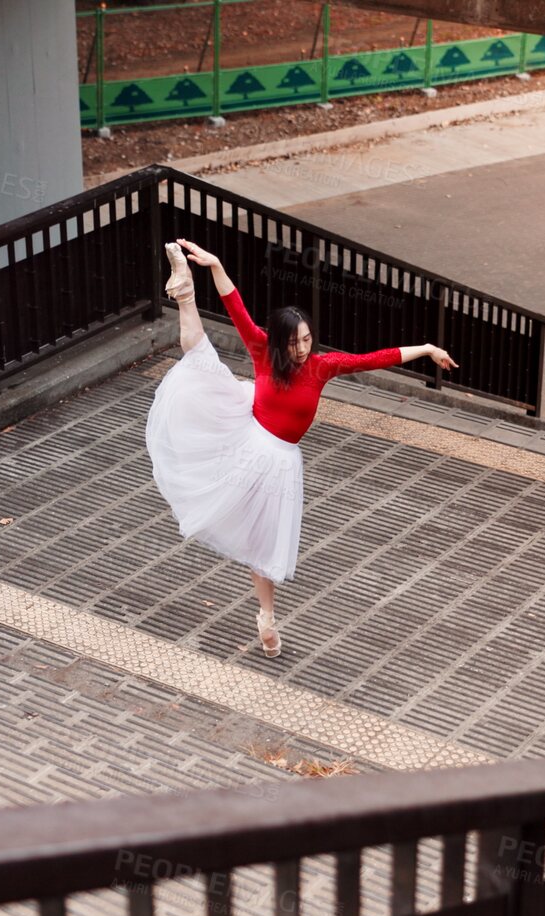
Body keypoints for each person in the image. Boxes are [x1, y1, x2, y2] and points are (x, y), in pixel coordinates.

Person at [146, 237, 458, 657]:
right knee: (199, 357)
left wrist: (427, 349)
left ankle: (267, 617)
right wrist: (216, 264)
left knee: (265, 545)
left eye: (307, 340)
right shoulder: (262, 351)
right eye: (295, 342)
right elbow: (235, 306)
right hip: (247, 438)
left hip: (282, 464)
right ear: (280, 341)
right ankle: (184, 290)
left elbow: (373, 358)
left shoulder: (322, 367)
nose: (302, 348)